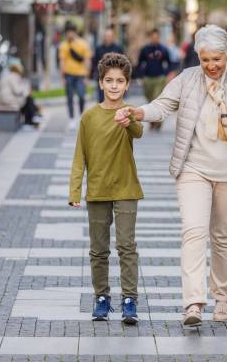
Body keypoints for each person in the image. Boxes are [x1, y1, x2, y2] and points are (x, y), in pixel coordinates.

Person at [114, 25, 227, 327]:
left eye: (217, 59)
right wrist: (137, 112)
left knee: (223, 237)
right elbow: (161, 105)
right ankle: (193, 303)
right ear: (197, 57)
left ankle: (222, 299)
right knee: (194, 232)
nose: (211, 66)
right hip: (193, 168)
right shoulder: (186, 80)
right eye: (205, 59)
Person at [68, 53, 144, 323]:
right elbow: (80, 156)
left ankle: (129, 300)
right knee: (98, 249)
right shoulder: (89, 117)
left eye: (120, 81)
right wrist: (74, 191)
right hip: (98, 190)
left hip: (126, 189)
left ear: (127, 85)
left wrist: (130, 119)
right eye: (109, 80)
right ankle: (101, 297)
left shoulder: (128, 112)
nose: (114, 86)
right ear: (100, 83)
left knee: (126, 246)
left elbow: (138, 133)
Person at [136, 29, 172, 131]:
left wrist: (167, 74)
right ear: (151, 37)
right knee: (149, 100)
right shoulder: (145, 49)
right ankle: (153, 121)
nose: (155, 39)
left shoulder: (163, 49)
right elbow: (139, 63)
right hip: (147, 78)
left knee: (156, 99)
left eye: (157, 37)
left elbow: (169, 63)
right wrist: (140, 75)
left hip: (159, 77)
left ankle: (157, 122)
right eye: (153, 37)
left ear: (159, 37)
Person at [59, 22, 92, 129]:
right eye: (68, 33)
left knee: (82, 95)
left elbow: (87, 60)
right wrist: (62, 77)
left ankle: (81, 114)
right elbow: (62, 61)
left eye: (71, 32)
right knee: (69, 97)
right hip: (68, 74)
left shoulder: (83, 44)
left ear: (75, 32)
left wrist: (87, 76)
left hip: (81, 75)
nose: (69, 35)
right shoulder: (64, 45)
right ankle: (71, 118)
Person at [0, 59, 41, 129]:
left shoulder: (6, 75)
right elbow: (17, 90)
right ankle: (30, 120)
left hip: (2, 99)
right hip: (8, 100)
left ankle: (34, 117)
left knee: (27, 99)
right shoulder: (14, 76)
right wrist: (27, 92)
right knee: (28, 99)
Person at [91, 28, 124, 103]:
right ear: (104, 37)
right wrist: (94, 73)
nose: (108, 38)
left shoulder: (118, 48)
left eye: (110, 36)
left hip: (115, 78)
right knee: (101, 99)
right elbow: (94, 62)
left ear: (113, 37)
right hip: (102, 77)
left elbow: (123, 63)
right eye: (106, 36)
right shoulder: (98, 49)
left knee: (114, 98)